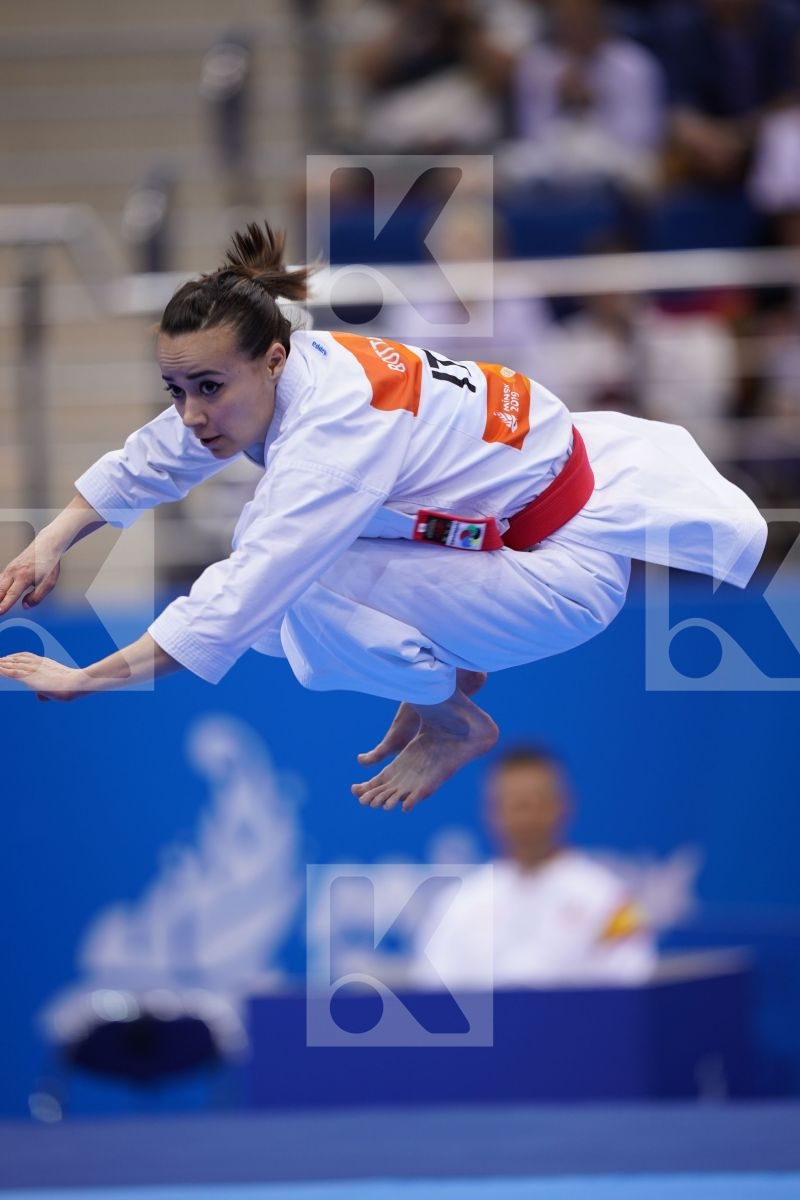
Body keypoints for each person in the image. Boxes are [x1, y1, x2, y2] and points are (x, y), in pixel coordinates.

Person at [0, 222, 766, 813]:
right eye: (177, 390)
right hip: (516, 524)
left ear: (271, 359)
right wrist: (53, 540)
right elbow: (160, 453)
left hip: (560, 574)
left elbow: (239, 598)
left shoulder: (331, 436)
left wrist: (89, 677)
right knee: (278, 574)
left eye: (208, 388)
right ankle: (445, 666)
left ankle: (451, 715)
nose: (193, 413)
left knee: (286, 596)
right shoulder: (303, 362)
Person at [410, 746, 657, 987]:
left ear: (564, 805)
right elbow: (435, 993)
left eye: (537, 802)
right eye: (515, 804)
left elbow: (629, 984)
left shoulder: (609, 899)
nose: (527, 817)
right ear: (491, 812)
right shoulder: (458, 905)